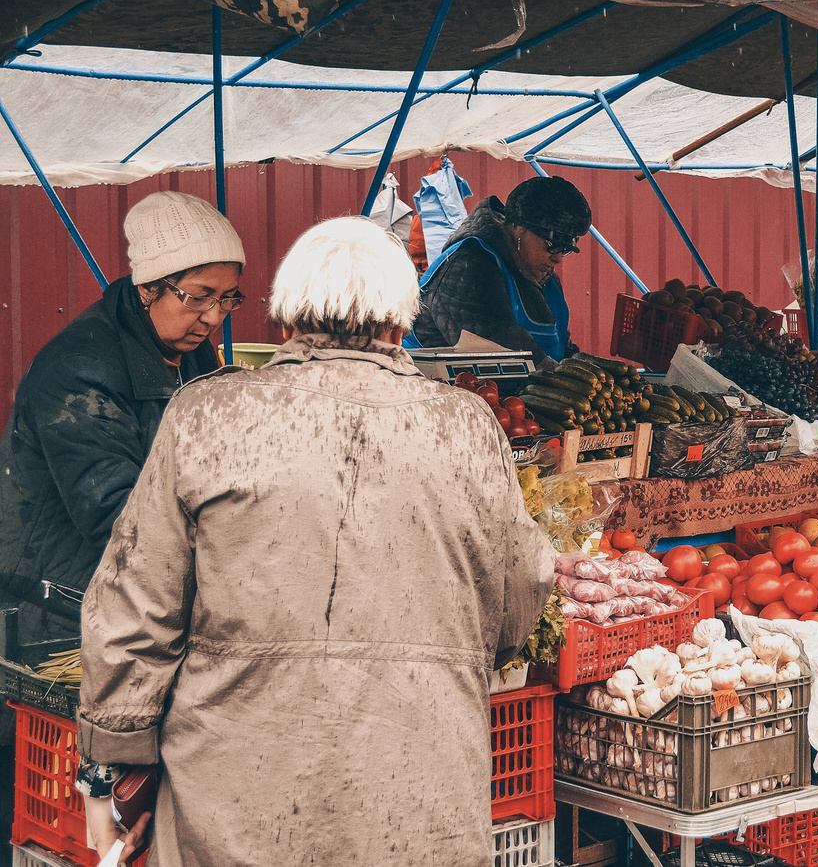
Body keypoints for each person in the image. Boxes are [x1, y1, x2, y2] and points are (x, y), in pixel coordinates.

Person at [74, 217, 555, 867]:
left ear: (287, 315)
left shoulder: (206, 414)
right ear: (397, 317)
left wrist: (107, 773)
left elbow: (133, 608)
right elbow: (520, 594)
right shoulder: (465, 427)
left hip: (235, 806)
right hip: (417, 798)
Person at [0, 191, 244, 642]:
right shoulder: (79, 372)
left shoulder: (189, 352)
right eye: (199, 297)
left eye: (227, 298)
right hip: (56, 607)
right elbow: (118, 518)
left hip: (135, 596)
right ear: (149, 287)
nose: (213, 317)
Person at [411, 175, 591, 363]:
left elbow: (561, 344)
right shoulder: (468, 267)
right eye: (552, 245)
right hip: (434, 384)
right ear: (521, 228)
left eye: (565, 249)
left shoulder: (542, 273)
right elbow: (502, 352)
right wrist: (561, 377)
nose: (558, 258)